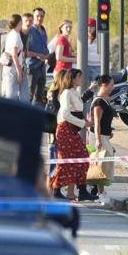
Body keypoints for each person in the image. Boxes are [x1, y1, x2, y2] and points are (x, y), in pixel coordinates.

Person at [50, 69, 93, 202]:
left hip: (72, 130)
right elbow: (65, 114)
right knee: (66, 160)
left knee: (82, 157)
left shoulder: (75, 93)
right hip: (65, 130)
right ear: (73, 79)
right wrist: (83, 123)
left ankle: (82, 190)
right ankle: (56, 190)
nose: (82, 79)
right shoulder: (67, 93)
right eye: (79, 77)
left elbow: (79, 106)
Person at [89, 74, 116, 193]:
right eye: (111, 85)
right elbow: (97, 121)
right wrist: (98, 139)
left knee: (106, 163)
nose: (113, 87)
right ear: (104, 85)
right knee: (101, 165)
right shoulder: (99, 102)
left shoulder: (106, 100)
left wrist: (109, 131)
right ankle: (100, 192)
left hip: (104, 135)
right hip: (98, 136)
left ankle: (97, 189)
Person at [0, 13, 26, 100]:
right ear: (19, 23)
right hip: (12, 68)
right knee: (11, 95)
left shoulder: (12, 34)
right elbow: (14, 54)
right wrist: (19, 71)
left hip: (9, 68)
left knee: (10, 93)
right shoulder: (16, 35)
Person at [25, 7, 50, 104]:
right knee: (29, 94)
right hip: (32, 66)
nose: (39, 18)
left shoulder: (43, 30)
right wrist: (38, 55)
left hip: (42, 67)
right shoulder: (30, 30)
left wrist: (47, 54)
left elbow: (45, 47)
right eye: (37, 16)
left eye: (42, 16)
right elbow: (25, 51)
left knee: (40, 95)